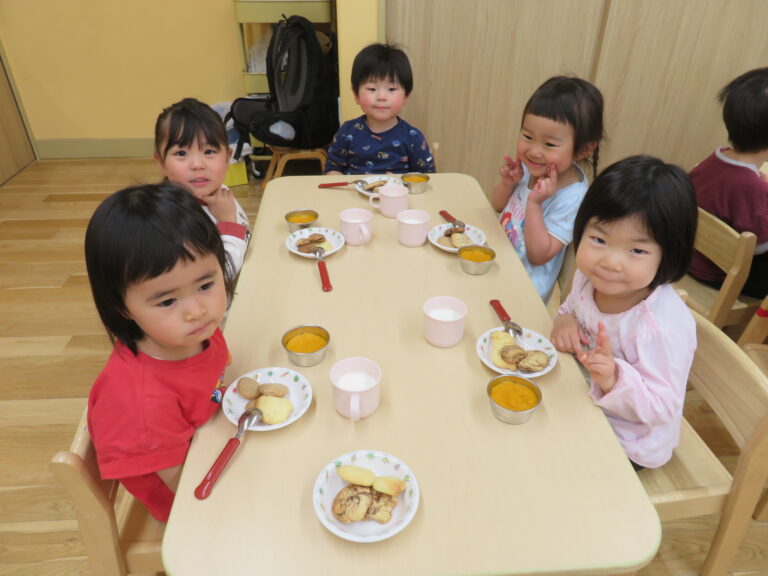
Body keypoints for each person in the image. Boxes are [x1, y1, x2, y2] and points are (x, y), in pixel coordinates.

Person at [85, 183, 235, 522]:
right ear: (120, 305)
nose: (196, 310)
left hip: (212, 440)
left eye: (206, 284)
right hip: (192, 509)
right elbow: (186, 491)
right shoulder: (142, 405)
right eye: (168, 301)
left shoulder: (192, 335)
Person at [551, 155, 698, 470]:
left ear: (668, 255)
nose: (611, 262)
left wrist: (613, 377)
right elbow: (571, 309)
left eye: (637, 250)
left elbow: (661, 406)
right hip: (584, 398)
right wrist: (564, 320)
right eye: (600, 239)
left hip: (629, 441)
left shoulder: (659, 328)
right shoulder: (590, 278)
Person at [491, 76, 605, 301]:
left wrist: (534, 203)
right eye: (527, 136)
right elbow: (497, 205)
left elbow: (538, 255)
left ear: (583, 150)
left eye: (549, 144)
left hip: (522, 294)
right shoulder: (531, 169)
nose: (534, 151)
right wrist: (508, 183)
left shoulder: (573, 196)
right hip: (498, 266)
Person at [688, 67, 768, 298]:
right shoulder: (753, 189)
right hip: (720, 275)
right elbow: (761, 247)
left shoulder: (715, 159)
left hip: (690, 259)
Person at [155, 97, 250, 279]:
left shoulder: (217, 191)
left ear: (227, 157)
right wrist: (228, 222)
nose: (198, 165)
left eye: (209, 152)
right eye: (181, 153)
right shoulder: (169, 220)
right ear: (161, 162)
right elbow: (218, 275)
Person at [324, 43, 435, 175]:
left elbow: (427, 175)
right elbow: (332, 168)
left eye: (392, 89)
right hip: (354, 193)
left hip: (399, 194)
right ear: (356, 94)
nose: (381, 97)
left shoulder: (413, 138)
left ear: (406, 96)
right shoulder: (347, 132)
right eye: (372, 89)